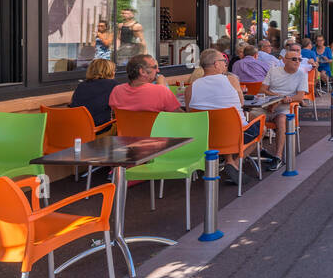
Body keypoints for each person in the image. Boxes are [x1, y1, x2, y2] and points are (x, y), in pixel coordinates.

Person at [186, 47, 265, 182]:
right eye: (223, 61)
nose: (225, 64)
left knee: (222, 123)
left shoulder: (191, 87)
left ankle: (229, 161)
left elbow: (189, 112)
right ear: (216, 64)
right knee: (261, 129)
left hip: (204, 138)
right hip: (236, 136)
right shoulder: (231, 80)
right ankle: (234, 163)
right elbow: (240, 104)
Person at [263, 46, 309, 171]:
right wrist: (277, 98)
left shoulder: (301, 74)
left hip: (285, 107)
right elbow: (262, 90)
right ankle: (256, 149)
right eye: (294, 59)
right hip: (267, 105)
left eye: (299, 59)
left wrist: (281, 100)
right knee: (250, 119)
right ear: (284, 60)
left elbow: (300, 97)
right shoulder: (274, 71)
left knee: (282, 121)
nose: (298, 62)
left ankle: (278, 157)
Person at [108, 53, 182, 113]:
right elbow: (179, 115)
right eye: (155, 67)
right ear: (142, 72)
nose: (157, 71)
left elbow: (114, 115)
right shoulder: (161, 90)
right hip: (157, 131)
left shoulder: (117, 90)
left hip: (125, 131)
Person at [70, 57, 123, 127]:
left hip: (79, 128)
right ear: (109, 71)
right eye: (114, 70)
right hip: (99, 129)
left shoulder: (81, 85)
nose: (114, 72)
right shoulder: (112, 85)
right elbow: (122, 106)